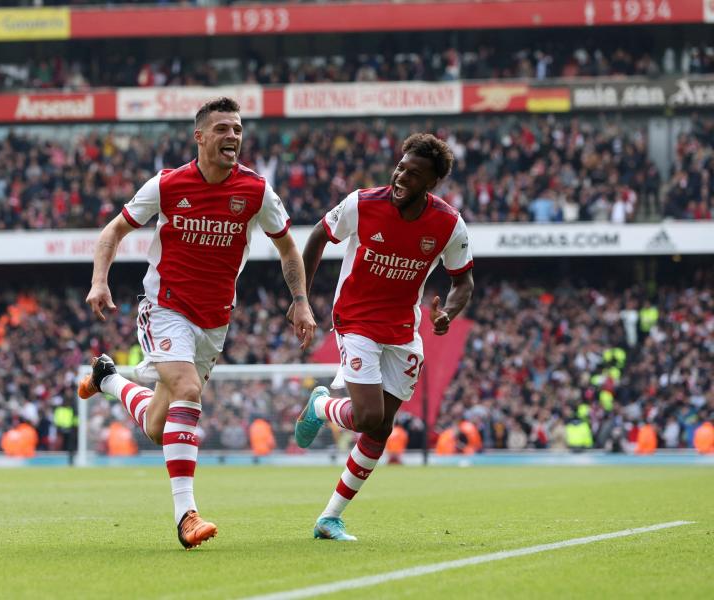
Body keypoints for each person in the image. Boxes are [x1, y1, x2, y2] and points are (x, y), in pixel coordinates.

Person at [78, 97, 316, 549]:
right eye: (223, 128)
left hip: (214, 320)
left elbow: (288, 248)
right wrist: (99, 282)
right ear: (200, 137)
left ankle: (108, 379)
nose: (233, 137)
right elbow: (113, 231)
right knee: (187, 390)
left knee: (156, 426)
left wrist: (301, 302)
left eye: (238, 130)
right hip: (164, 305)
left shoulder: (256, 191)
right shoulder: (168, 185)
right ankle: (186, 515)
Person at [292, 133, 474, 541]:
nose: (400, 177)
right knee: (370, 416)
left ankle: (329, 518)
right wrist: (300, 297)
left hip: (403, 329)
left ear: (432, 183)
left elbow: (464, 282)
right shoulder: (362, 203)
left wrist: (449, 314)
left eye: (413, 174)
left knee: (380, 429)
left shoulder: (448, 223)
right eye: (400, 167)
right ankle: (321, 405)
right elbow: (318, 237)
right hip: (355, 318)